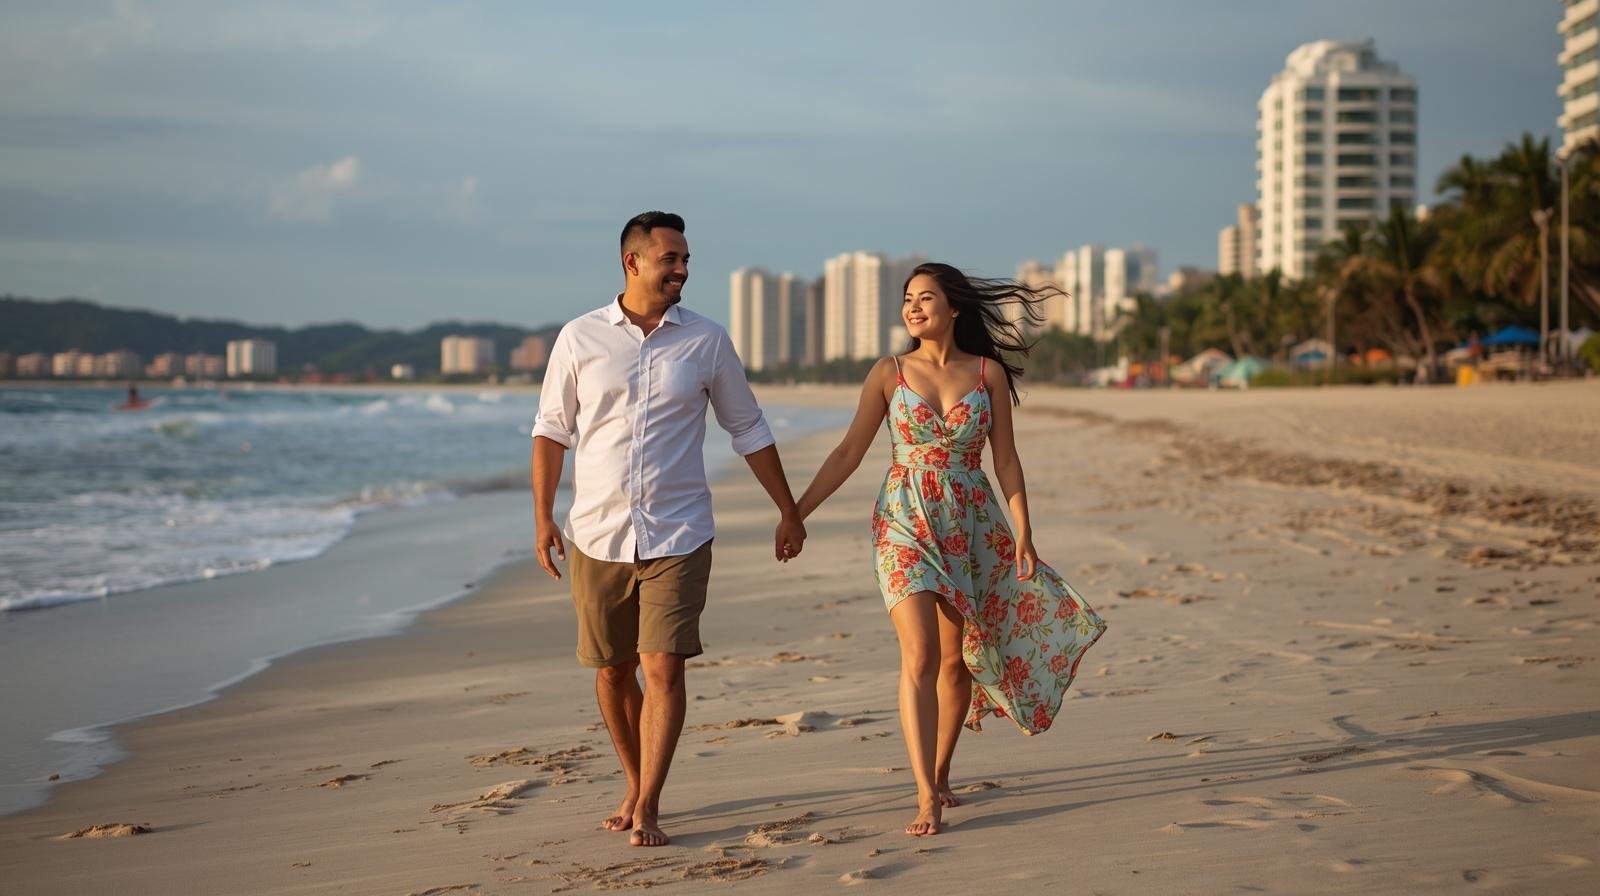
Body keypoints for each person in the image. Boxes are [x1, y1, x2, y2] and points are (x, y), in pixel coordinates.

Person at [791, 262, 1106, 836]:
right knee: (918, 655)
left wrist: (1025, 532)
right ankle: (924, 797)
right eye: (907, 299)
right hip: (904, 520)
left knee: (955, 663)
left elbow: (1005, 458)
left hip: (970, 523)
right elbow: (847, 452)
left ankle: (940, 772)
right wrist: (796, 513)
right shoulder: (888, 373)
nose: (913, 307)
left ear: (953, 307)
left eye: (925, 297)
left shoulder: (986, 375)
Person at [530, 211, 807, 848]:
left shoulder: (706, 340)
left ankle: (649, 801)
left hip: (679, 531)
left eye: (685, 260)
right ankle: (633, 780)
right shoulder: (579, 337)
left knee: (664, 668)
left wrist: (787, 509)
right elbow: (551, 430)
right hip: (596, 533)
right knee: (611, 671)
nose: (683, 270)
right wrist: (542, 515)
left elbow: (750, 429)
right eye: (671, 259)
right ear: (633, 262)